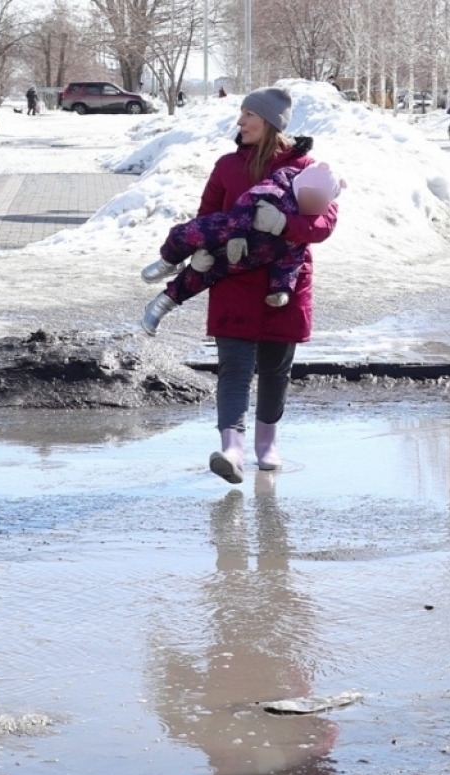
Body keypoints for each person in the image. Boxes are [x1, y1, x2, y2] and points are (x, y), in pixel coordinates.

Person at [161, 86, 338, 483]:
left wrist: (284, 226)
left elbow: (324, 223)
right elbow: (206, 216)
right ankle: (232, 449)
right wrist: (201, 252)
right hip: (234, 276)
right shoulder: (227, 166)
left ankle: (266, 445)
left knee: (276, 368)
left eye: (248, 116)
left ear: (271, 124)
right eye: (240, 115)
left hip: (285, 281)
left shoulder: (307, 169)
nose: (239, 122)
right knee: (234, 367)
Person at [139, 160, 344, 335]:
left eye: (322, 202)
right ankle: (168, 261)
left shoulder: (303, 225)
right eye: (315, 199)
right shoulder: (275, 189)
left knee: (198, 278)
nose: (318, 207)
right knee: (183, 234)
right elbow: (245, 201)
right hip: (224, 229)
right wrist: (237, 235)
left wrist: (282, 289)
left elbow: (291, 262)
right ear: (303, 189)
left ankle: (160, 306)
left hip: (244, 259)